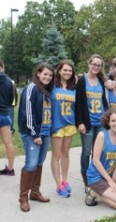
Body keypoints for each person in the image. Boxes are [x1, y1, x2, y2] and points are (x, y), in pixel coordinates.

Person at [18, 63, 54, 212]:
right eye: (45, 74)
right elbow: (28, 113)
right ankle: (23, 197)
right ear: (38, 73)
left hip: (44, 133)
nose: (47, 77)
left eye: (50, 75)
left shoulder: (45, 91)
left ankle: (35, 192)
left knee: (39, 162)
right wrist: (35, 134)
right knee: (31, 164)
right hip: (32, 134)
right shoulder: (31, 88)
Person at [75, 54, 109, 191]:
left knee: (99, 152)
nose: (95, 67)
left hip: (100, 122)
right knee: (87, 152)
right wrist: (80, 123)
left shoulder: (101, 80)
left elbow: (104, 101)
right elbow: (78, 104)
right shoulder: (82, 81)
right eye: (93, 64)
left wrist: (107, 117)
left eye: (98, 65)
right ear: (89, 64)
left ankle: (96, 177)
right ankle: (86, 180)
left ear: (101, 67)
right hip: (88, 123)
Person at [50, 60, 77, 198]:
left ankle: (65, 180)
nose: (67, 72)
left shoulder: (74, 87)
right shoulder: (52, 86)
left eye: (70, 70)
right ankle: (58, 184)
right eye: (65, 70)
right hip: (57, 124)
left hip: (70, 124)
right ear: (59, 71)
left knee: (65, 153)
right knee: (56, 155)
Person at [0, 59, 15, 176]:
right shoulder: (10, 82)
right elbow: (12, 100)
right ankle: (10, 169)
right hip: (5, 114)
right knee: (8, 142)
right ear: (2, 67)